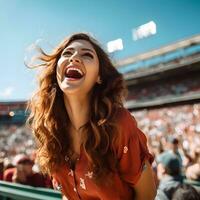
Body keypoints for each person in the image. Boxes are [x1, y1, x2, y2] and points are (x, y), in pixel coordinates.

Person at [27, 33, 156, 200]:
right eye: (67, 53)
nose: (74, 58)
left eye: (86, 54)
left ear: (99, 77)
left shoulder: (119, 124)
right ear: (56, 70)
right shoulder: (50, 131)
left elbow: (147, 195)